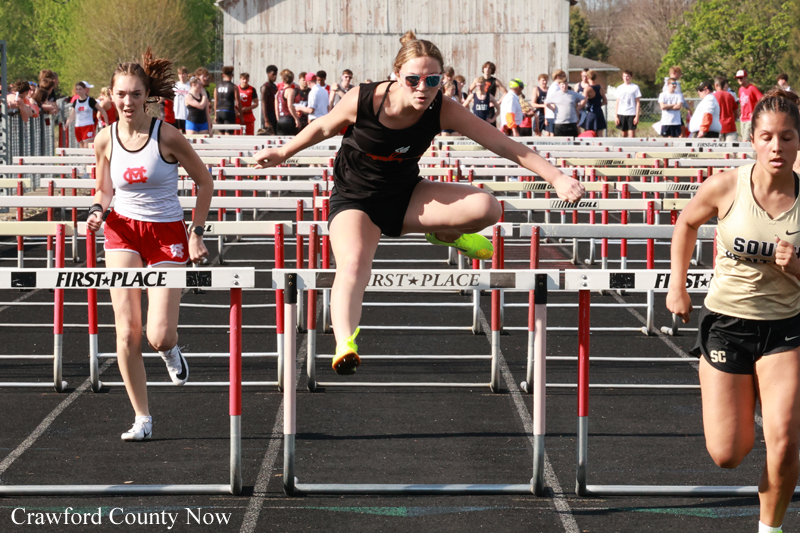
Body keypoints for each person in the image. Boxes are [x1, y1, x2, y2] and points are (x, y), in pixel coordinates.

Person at [252, 31, 584, 376]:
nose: (422, 88)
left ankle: (445, 234)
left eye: (433, 80)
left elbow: (503, 144)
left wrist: (556, 177)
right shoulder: (364, 99)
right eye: (413, 79)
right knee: (352, 266)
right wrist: (282, 152)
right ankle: (344, 343)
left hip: (407, 195)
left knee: (488, 208)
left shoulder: (443, 108)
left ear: (443, 80)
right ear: (396, 75)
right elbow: (321, 127)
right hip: (355, 200)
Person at [667, 88, 800, 533]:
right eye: (767, 137)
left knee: (783, 442)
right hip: (727, 325)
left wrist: (796, 265)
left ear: (798, 141)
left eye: (786, 137)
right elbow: (686, 223)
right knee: (729, 453)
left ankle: (770, 529)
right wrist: (677, 286)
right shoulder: (727, 185)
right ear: (753, 140)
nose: (776, 147)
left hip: (787, 328)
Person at [86, 48, 212, 441]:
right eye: (121, 94)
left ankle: (171, 351)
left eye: (135, 95)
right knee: (127, 333)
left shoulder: (168, 136)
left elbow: (205, 183)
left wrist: (196, 232)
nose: (127, 102)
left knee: (158, 334)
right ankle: (142, 416)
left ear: (147, 97)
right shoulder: (104, 138)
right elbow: (104, 188)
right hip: (122, 231)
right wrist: (96, 210)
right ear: (110, 94)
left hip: (166, 234)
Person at [66, 81, 108, 147]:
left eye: (80, 89)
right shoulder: (75, 102)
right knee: (82, 148)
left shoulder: (90, 100)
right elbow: (72, 116)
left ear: (84, 89)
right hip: (78, 127)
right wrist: (66, 124)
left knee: (86, 147)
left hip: (88, 126)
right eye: (77, 89)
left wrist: (106, 124)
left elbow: (102, 111)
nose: (78, 91)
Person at [577, 70, 607, 136]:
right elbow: (605, 101)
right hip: (599, 111)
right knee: (599, 132)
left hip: (591, 112)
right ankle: (600, 145)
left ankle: (591, 146)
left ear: (588, 77)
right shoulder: (600, 87)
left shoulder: (587, 89)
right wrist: (598, 105)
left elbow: (583, 101)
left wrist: (577, 108)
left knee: (589, 133)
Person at [737, 69, 764, 142]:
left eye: (741, 78)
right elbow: (742, 103)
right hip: (743, 119)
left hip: (750, 119)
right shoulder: (740, 89)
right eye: (738, 78)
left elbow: (762, 100)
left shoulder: (752, 88)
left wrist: (755, 112)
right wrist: (741, 114)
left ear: (745, 78)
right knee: (746, 140)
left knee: (745, 140)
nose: (739, 80)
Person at [214, 66, 241, 135]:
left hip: (219, 111)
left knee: (221, 134)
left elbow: (215, 102)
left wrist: (215, 115)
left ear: (223, 75)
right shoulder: (234, 87)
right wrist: (240, 115)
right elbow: (238, 103)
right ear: (232, 75)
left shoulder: (217, 87)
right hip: (229, 111)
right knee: (228, 135)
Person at [615, 70, 641, 138]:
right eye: (624, 76)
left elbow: (638, 102)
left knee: (631, 133)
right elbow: (617, 102)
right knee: (624, 133)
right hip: (621, 113)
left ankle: (632, 147)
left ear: (631, 77)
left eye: (627, 76)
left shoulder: (635, 87)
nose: (626, 78)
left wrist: (637, 116)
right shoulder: (619, 88)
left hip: (631, 113)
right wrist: (616, 116)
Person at [714, 76, 739, 142]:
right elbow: (736, 111)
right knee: (731, 149)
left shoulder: (713, 96)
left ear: (716, 85)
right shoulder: (730, 95)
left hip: (717, 127)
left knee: (718, 149)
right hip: (730, 126)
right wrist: (735, 119)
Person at [275, 69, 300, 135]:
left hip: (280, 119)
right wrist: (296, 118)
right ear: (292, 79)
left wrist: (278, 119)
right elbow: (290, 106)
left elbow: (276, 108)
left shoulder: (278, 92)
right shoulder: (290, 91)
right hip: (288, 119)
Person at [260, 65, 278, 134]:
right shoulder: (265, 87)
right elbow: (263, 103)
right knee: (269, 135)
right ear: (268, 74)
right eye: (273, 74)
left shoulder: (274, 86)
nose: (275, 76)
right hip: (268, 115)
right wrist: (266, 120)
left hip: (274, 114)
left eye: (276, 74)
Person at [172, 66, 191, 133]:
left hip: (187, 115)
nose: (181, 76)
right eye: (180, 74)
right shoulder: (175, 86)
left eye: (183, 74)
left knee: (186, 134)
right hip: (176, 114)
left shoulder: (190, 86)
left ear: (186, 74)